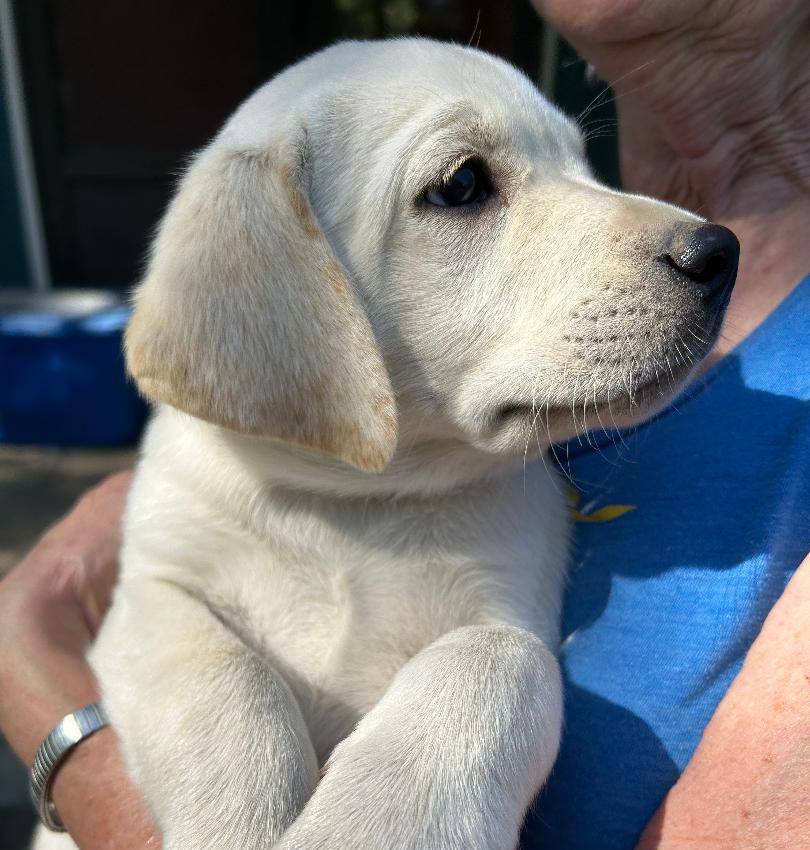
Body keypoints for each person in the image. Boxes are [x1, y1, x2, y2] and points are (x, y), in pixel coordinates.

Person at [0, 1, 807, 847]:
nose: (685, 246)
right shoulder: (221, 461)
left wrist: (63, 736)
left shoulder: (497, 465)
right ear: (287, 307)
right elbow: (152, 597)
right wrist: (221, 756)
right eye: (463, 185)